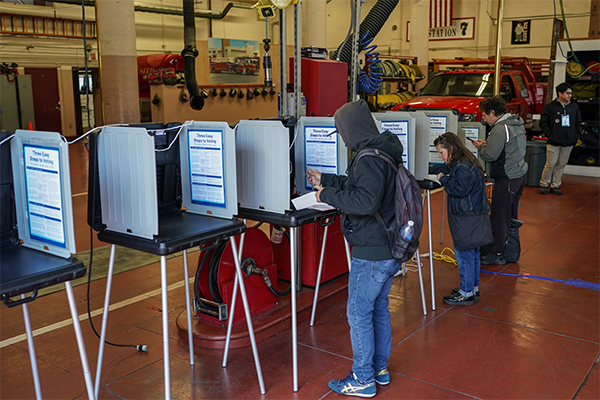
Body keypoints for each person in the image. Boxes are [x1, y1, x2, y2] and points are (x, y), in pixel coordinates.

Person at [306, 99, 404, 398]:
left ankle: (362, 379)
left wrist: (327, 196)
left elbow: (365, 202)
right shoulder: (382, 149)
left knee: (358, 313)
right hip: (388, 245)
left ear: (351, 128)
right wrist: (329, 181)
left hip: (372, 249)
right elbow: (363, 186)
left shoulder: (368, 157)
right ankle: (379, 368)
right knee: (378, 309)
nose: (343, 139)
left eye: (342, 131)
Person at [435, 133, 491, 305]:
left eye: (441, 152)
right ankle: (472, 288)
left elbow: (459, 189)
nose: (440, 156)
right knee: (472, 254)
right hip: (474, 216)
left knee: (464, 255)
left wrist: (443, 179)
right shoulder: (469, 162)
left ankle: (466, 292)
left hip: (466, 218)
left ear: (450, 149)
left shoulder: (462, 167)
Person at [473, 96, 528, 265]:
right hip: (518, 176)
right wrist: (488, 144)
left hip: (507, 179)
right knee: (510, 217)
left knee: (499, 217)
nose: (484, 119)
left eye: (484, 115)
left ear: (493, 112)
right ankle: (509, 251)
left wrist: (481, 147)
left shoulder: (499, 129)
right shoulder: (515, 123)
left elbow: (490, 155)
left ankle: (496, 253)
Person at [538, 82, 582, 195]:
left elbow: (578, 122)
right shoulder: (550, 107)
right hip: (553, 141)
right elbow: (543, 122)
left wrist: (574, 135)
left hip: (568, 142)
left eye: (571, 93)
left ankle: (555, 185)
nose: (570, 96)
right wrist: (550, 134)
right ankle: (544, 184)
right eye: (567, 93)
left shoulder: (574, 107)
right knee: (550, 164)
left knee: (561, 164)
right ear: (560, 93)